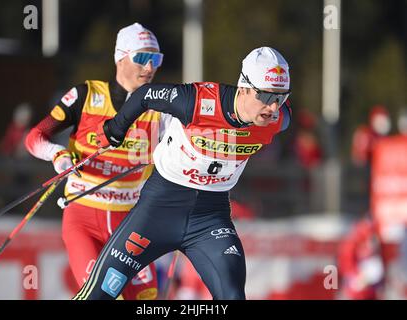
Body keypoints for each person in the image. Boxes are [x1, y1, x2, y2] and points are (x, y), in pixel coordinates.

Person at [72, 46, 292, 300]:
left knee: (232, 296)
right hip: (159, 209)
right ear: (243, 87)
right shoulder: (197, 100)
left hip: (210, 218)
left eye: (282, 97)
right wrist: (116, 128)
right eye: (266, 96)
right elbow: (146, 94)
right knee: (99, 294)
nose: (274, 107)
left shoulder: (280, 119)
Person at [25, 22, 171, 300]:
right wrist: (58, 155)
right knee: (101, 297)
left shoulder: (160, 108)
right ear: (120, 57)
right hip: (84, 218)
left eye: (156, 59)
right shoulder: (86, 95)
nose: (150, 67)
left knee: (148, 299)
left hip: (131, 223)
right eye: (142, 58)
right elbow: (35, 137)